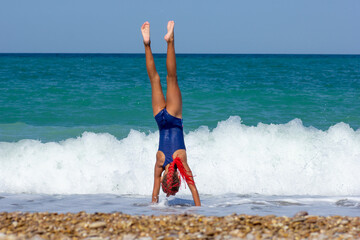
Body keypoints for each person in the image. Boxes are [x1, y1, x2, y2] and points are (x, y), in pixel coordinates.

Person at [141, 21, 201, 206]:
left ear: (177, 177)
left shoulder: (181, 163)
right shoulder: (159, 162)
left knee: (171, 78)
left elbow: (195, 193)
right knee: (154, 79)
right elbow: (154, 194)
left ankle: (170, 41)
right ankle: (147, 44)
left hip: (174, 117)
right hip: (160, 119)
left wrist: (200, 210)